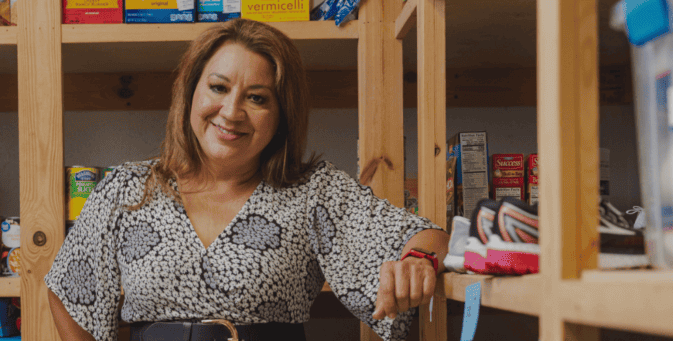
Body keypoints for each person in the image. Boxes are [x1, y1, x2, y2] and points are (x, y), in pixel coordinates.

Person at [44, 18, 448, 341]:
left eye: (257, 98)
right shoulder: (126, 189)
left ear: (281, 114)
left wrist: (418, 259)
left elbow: (430, 237)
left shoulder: (313, 193)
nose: (232, 111)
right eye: (218, 87)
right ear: (190, 93)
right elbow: (66, 289)